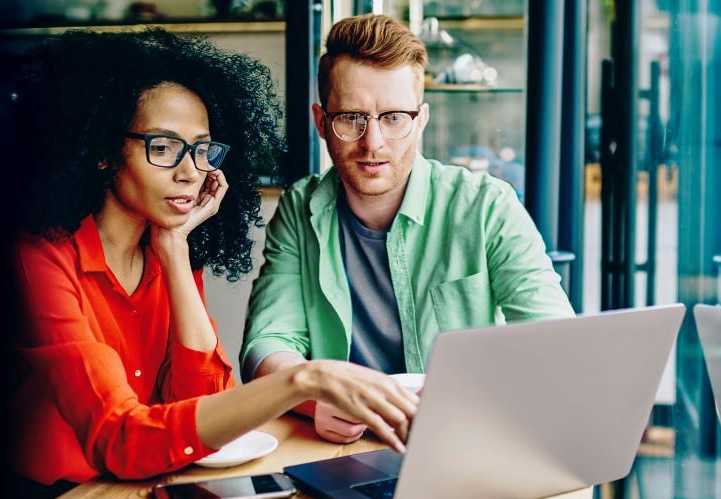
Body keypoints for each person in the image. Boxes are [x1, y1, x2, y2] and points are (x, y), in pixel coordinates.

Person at [9, 29, 419, 494]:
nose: (190, 171)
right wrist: (306, 379)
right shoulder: (38, 262)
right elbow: (120, 437)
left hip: (140, 495)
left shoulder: (169, 254)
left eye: (201, 149)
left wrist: (176, 253)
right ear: (103, 151)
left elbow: (206, 410)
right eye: (162, 147)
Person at [241, 14, 574, 445]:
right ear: (321, 122)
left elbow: (555, 342)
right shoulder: (300, 208)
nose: (373, 142)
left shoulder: (487, 204)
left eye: (394, 117)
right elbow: (267, 343)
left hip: (462, 437)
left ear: (421, 120)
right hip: (338, 448)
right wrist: (314, 399)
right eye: (351, 118)